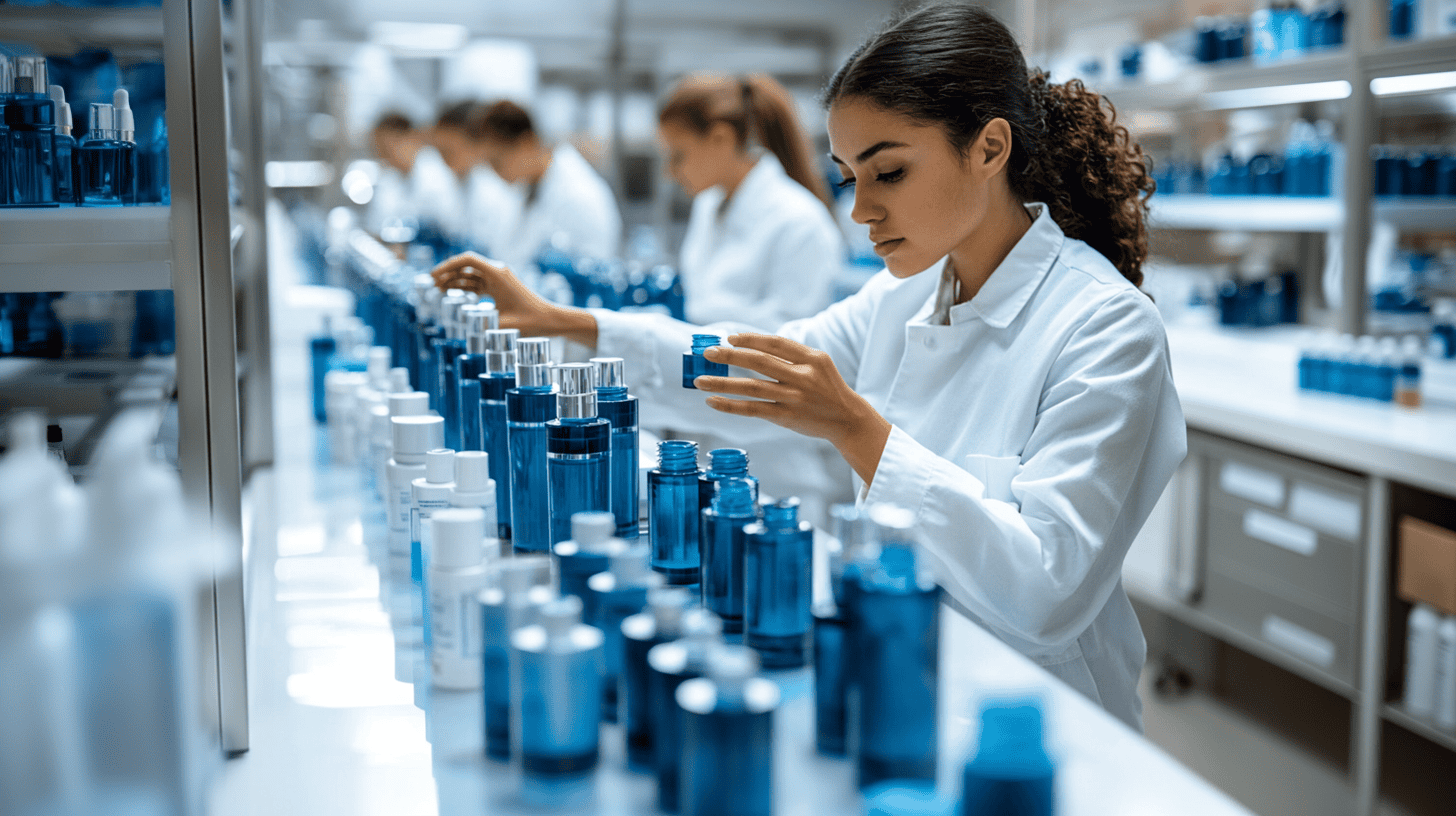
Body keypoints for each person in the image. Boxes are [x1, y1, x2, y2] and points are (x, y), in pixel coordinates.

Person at [431, 1, 1184, 730]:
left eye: (888, 173)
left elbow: (1047, 589)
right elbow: (751, 365)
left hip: (1042, 721)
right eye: (850, 176)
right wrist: (573, 324)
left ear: (989, 149)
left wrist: (857, 428)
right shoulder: (907, 294)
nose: (859, 211)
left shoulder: (1106, 327)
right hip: (896, 674)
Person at [657, 73, 843, 330]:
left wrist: (691, 317)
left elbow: (793, 337)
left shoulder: (800, 222)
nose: (670, 171)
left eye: (678, 155)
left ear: (721, 139)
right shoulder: (709, 203)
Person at [470, 100, 621, 275]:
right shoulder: (527, 186)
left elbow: (592, 275)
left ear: (526, 144)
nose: (495, 172)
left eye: (497, 161)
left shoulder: (578, 195)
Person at [429, 101, 520, 257]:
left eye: (449, 152)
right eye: (440, 153)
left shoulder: (497, 194)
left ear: (475, 145)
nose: (445, 162)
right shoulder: (461, 182)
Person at [365, 111, 460, 241]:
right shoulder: (388, 179)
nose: (383, 156)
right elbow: (375, 227)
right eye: (379, 150)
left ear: (410, 138)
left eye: (387, 148)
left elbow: (449, 228)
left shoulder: (437, 173)